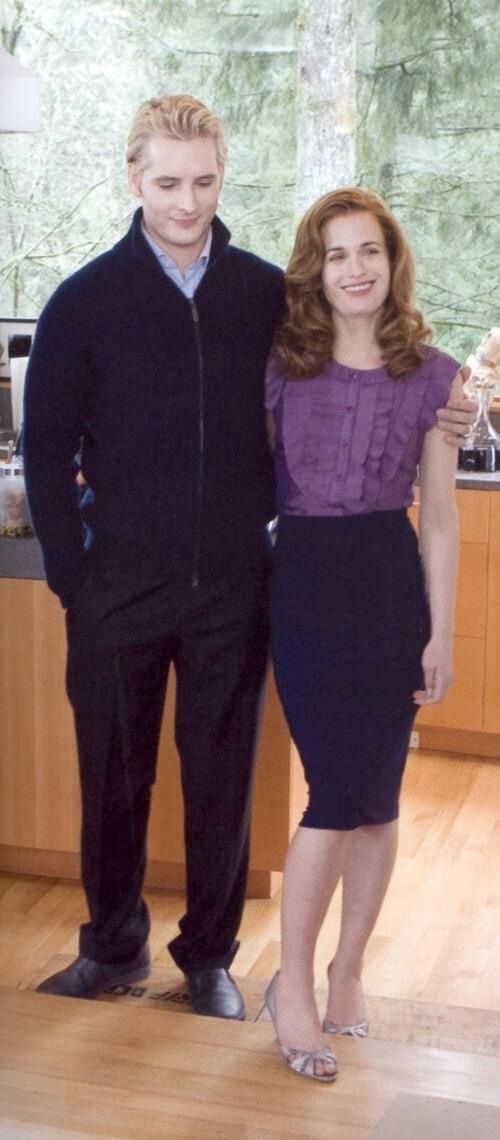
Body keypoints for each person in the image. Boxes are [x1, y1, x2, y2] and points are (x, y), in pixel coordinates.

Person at [23, 95, 473, 1022]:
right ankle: (111, 949)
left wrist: (446, 407)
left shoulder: (266, 295)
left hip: (238, 583)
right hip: (118, 592)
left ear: (224, 174)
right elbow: (45, 447)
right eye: (167, 182)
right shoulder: (82, 301)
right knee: (114, 775)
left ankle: (209, 959)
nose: (187, 202)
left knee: (220, 777)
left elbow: (360, 352)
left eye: (205, 181)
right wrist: (77, 580)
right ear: (133, 179)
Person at [263, 186, 463, 1079]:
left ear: (392, 263)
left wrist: (442, 634)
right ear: (317, 266)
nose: (354, 268)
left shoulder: (434, 375)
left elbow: (444, 519)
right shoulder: (275, 363)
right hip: (305, 584)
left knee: (378, 797)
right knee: (335, 793)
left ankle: (348, 973)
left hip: (390, 589)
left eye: (369, 252)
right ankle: (293, 983)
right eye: (337, 253)